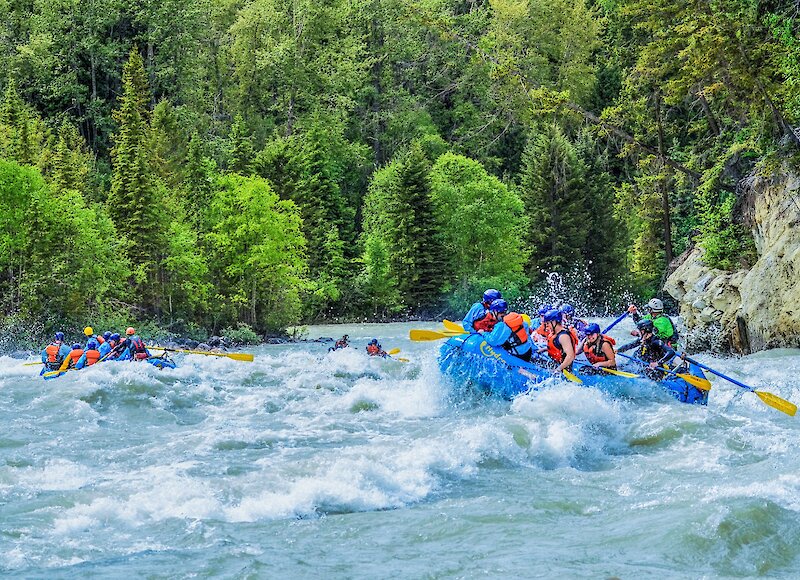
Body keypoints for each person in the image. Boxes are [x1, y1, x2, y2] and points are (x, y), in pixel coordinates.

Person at [616, 319, 683, 380]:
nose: (638, 332)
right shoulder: (642, 340)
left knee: (646, 372)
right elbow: (629, 346)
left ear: (644, 331)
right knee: (622, 366)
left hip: (655, 370)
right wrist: (617, 350)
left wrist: (658, 363)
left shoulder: (656, 341)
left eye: (640, 331)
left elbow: (671, 352)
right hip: (643, 366)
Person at [538, 309, 578, 373]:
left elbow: (570, 356)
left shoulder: (563, 336)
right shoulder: (555, 333)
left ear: (554, 322)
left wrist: (558, 369)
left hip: (563, 369)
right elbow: (558, 347)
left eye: (548, 323)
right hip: (555, 363)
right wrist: (544, 349)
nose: (546, 325)